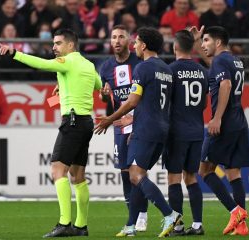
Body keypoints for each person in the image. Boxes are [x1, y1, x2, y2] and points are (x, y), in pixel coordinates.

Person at [0, 28, 102, 237]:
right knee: (78, 176)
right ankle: (81, 226)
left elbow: (41, 64)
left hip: (71, 122)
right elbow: (98, 86)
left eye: (58, 43)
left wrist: (14, 53)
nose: (54, 47)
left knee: (57, 170)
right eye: (54, 43)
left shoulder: (68, 62)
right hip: (86, 122)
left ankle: (64, 223)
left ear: (70, 45)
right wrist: (63, 86)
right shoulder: (88, 65)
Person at [94, 27, 181, 238]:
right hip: (161, 129)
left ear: (143, 45)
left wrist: (110, 118)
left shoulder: (142, 68)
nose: (134, 46)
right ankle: (131, 225)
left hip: (146, 128)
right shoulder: (167, 70)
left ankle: (170, 214)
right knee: (135, 175)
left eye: (136, 42)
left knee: (135, 174)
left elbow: (133, 100)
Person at [190, 25, 249, 236]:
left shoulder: (221, 61)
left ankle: (236, 212)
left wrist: (216, 118)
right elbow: (213, 66)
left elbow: (224, 84)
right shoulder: (234, 60)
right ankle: (241, 225)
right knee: (233, 172)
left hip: (224, 123)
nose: (203, 45)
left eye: (206, 40)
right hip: (239, 120)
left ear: (217, 42)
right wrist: (197, 42)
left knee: (204, 170)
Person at [98, 25, 147, 235]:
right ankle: (132, 216)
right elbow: (106, 97)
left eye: (121, 37)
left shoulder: (139, 63)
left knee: (137, 170)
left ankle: (142, 214)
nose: (117, 41)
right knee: (124, 172)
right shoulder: (105, 67)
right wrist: (103, 94)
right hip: (120, 124)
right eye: (114, 37)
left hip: (139, 122)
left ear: (129, 40)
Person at [163, 30, 208, 236]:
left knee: (174, 178)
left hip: (177, 131)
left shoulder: (170, 70)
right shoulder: (202, 70)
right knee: (191, 177)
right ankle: (197, 225)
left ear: (174, 47)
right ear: (192, 48)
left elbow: (164, 102)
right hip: (197, 130)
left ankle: (178, 225)